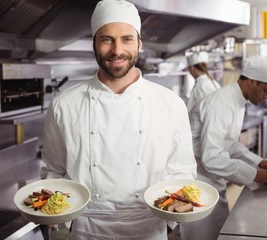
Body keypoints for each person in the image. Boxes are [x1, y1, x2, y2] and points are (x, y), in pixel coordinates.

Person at [40, 0, 197, 239]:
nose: (116, 51)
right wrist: (54, 212)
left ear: (139, 44)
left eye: (126, 39)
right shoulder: (65, 103)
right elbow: (54, 170)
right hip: (87, 228)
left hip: (148, 227)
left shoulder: (170, 103)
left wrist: (172, 216)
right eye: (106, 39)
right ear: (93, 43)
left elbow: (182, 172)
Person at [180, 56, 267, 240]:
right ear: (251, 81)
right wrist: (254, 174)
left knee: (215, 231)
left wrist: (259, 162)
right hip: (199, 181)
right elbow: (212, 157)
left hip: (212, 179)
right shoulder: (222, 103)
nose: (266, 96)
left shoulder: (237, 100)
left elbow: (228, 143)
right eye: (265, 91)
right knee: (202, 235)